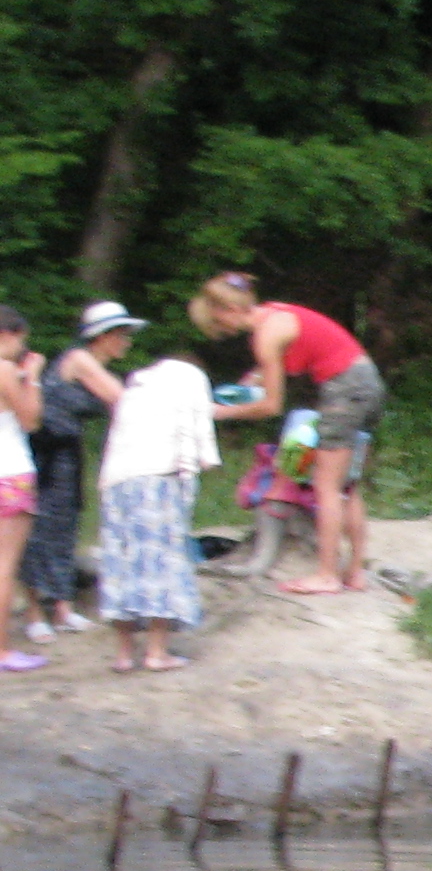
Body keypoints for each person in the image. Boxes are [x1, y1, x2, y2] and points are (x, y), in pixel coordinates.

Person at [187, 275, 385, 597]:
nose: (222, 332)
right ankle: (354, 572)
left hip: (344, 390)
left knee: (326, 486)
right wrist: (249, 383)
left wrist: (220, 412)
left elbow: (271, 405)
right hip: (366, 382)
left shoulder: (265, 336)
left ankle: (327, 575)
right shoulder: (275, 313)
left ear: (227, 310)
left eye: (217, 323)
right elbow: (285, 363)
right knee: (347, 485)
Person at [23, 304, 139, 644]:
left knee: (66, 525)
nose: (127, 342)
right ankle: (34, 613)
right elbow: (120, 398)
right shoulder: (80, 360)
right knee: (40, 530)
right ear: (102, 336)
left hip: (67, 454)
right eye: (122, 335)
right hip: (44, 454)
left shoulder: (92, 364)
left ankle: (63, 607)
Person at [98, 353, 220, 673]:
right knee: (161, 562)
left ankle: (124, 654)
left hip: (116, 481)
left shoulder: (137, 387)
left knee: (121, 562)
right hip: (158, 478)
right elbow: (200, 430)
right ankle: (156, 652)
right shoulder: (190, 379)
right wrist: (205, 461)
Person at [0, 311, 40, 673]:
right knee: (4, 565)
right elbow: (30, 419)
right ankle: (2, 650)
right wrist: (34, 378)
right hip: (10, 471)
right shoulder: (4, 370)